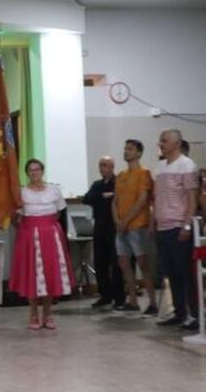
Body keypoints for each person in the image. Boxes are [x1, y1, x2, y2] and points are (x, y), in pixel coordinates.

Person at [9, 158, 75, 330]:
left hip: (51, 237)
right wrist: (28, 229)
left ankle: (48, 313)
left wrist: (47, 227)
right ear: (27, 173)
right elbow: (15, 218)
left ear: (42, 171)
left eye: (37, 169)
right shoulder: (22, 192)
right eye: (31, 170)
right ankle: (33, 313)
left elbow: (59, 214)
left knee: (49, 273)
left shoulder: (54, 190)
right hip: (29, 236)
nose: (34, 172)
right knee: (32, 274)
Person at [152, 129, 199, 330]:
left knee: (185, 273)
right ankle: (179, 313)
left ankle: (195, 315)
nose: (161, 144)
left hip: (178, 227)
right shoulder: (160, 167)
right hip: (162, 227)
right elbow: (157, 198)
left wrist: (187, 225)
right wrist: (153, 223)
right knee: (171, 274)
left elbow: (192, 199)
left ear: (177, 143)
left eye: (165, 141)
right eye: (160, 140)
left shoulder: (187, 165)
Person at [112, 140, 157, 316]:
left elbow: (142, 200)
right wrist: (118, 221)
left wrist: (127, 220)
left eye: (130, 149)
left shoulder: (143, 173)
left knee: (143, 264)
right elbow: (115, 201)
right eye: (125, 148)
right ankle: (132, 301)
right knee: (124, 263)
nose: (126, 151)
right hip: (122, 227)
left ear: (139, 153)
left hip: (138, 225)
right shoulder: (121, 175)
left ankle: (152, 303)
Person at [82, 157, 125, 311]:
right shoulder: (97, 184)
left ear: (112, 167)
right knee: (100, 262)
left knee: (116, 263)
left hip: (114, 227)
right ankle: (105, 295)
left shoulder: (118, 182)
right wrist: (102, 197)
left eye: (105, 165)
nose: (102, 168)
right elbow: (86, 199)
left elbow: (119, 200)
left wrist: (105, 198)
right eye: (100, 165)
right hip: (99, 227)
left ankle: (119, 298)